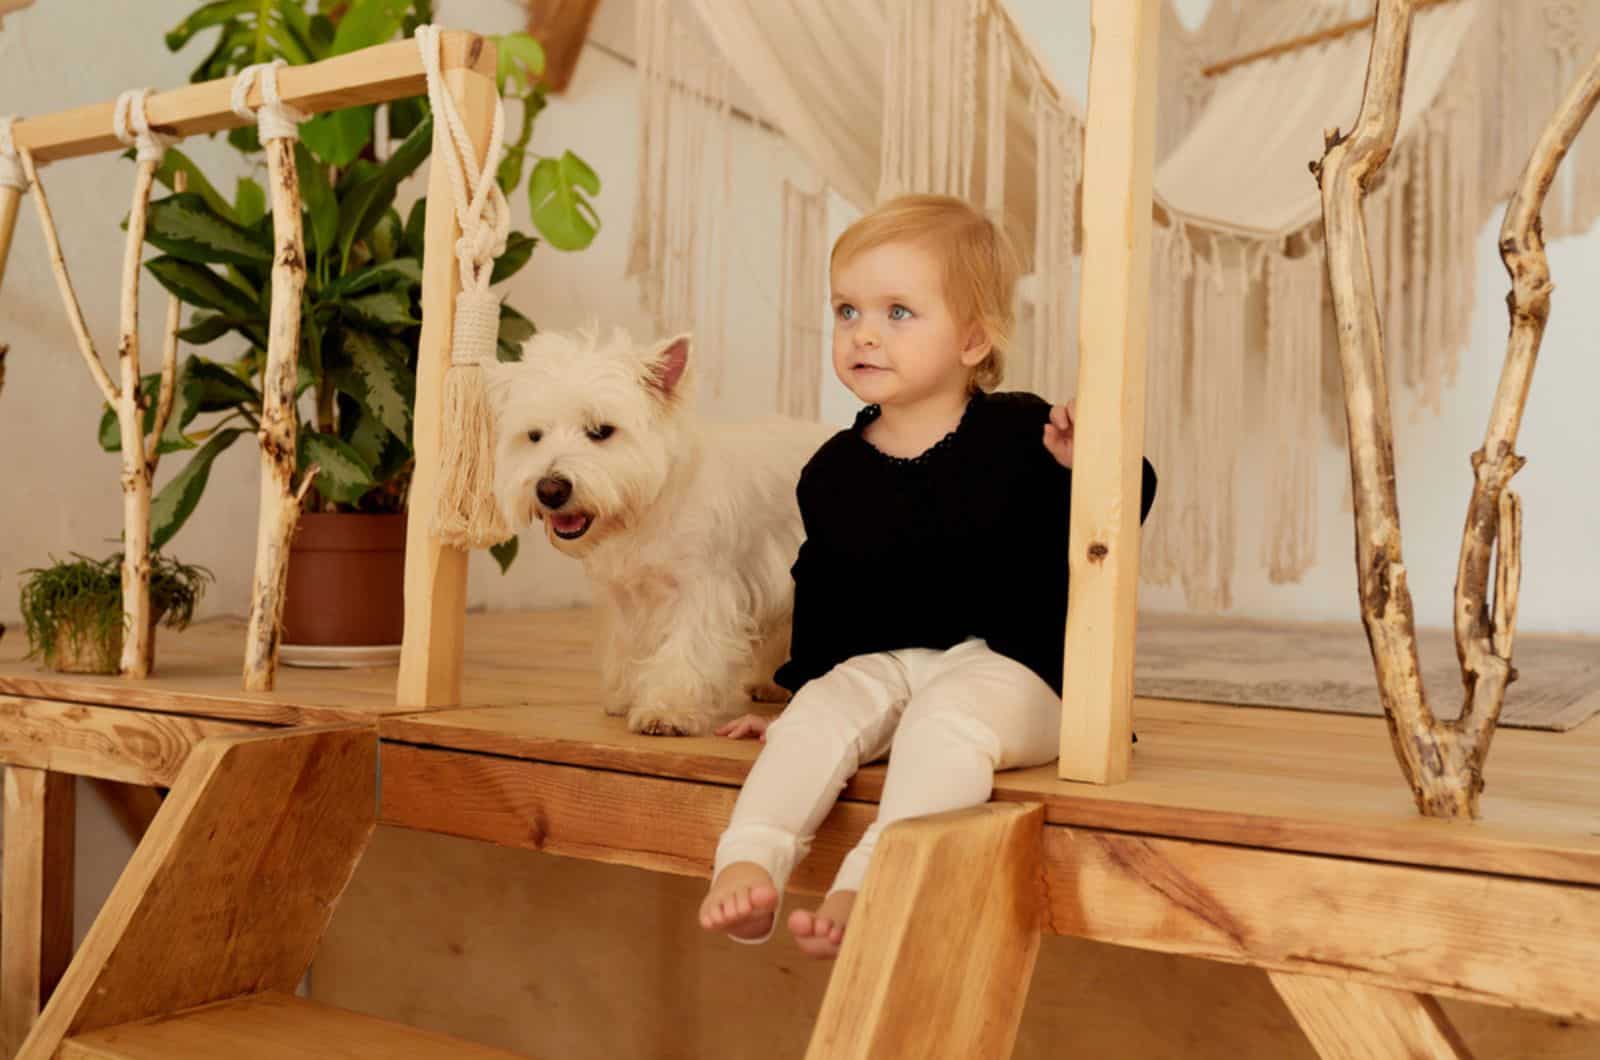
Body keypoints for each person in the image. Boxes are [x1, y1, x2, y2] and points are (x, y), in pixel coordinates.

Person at [698, 194, 1157, 958]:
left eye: (898, 312)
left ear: (974, 339)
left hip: (1024, 671)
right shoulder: (832, 471)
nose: (864, 332)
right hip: (893, 664)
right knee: (821, 711)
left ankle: (873, 881)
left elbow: (1125, 503)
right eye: (846, 310)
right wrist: (800, 687)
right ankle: (750, 860)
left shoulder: (1022, 431)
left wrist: (1090, 467)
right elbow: (827, 586)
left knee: (946, 722)